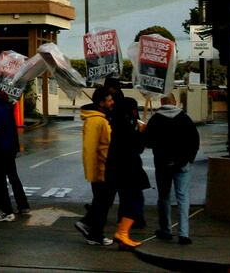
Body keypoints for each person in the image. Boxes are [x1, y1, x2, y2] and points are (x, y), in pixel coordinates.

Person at [143, 93, 199, 246]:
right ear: (175, 102)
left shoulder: (155, 120)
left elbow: (147, 142)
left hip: (162, 164)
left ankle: (166, 229)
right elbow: (194, 140)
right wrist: (188, 159)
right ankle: (184, 233)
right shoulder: (185, 118)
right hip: (182, 163)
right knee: (183, 197)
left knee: (164, 196)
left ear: (161, 102)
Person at [106, 94, 149, 249]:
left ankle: (123, 232)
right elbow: (136, 148)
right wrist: (141, 132)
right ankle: (122, 233)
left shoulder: (117, 123)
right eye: (134, 109)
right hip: (128, 170)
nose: (136, 112)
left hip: (120, 169)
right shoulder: (125, 127)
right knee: (135, 201)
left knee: (128, 201)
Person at [74, 85, 115, 247]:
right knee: (103, 203)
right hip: (101, 171)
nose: (112, 102)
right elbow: (89, 149)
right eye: (109, 100)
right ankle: (94, 234)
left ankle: (89, 226)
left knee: (103, 203)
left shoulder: (103, 118)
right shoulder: (95, 120)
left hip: (107, 169)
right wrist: (93, 174)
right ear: (101, 103)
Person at [0, 84, 28, 221]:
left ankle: (5, 208)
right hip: (10, 146)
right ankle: (23, 204)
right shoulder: (6, 105)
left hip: (0, 148)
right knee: (13, 176)